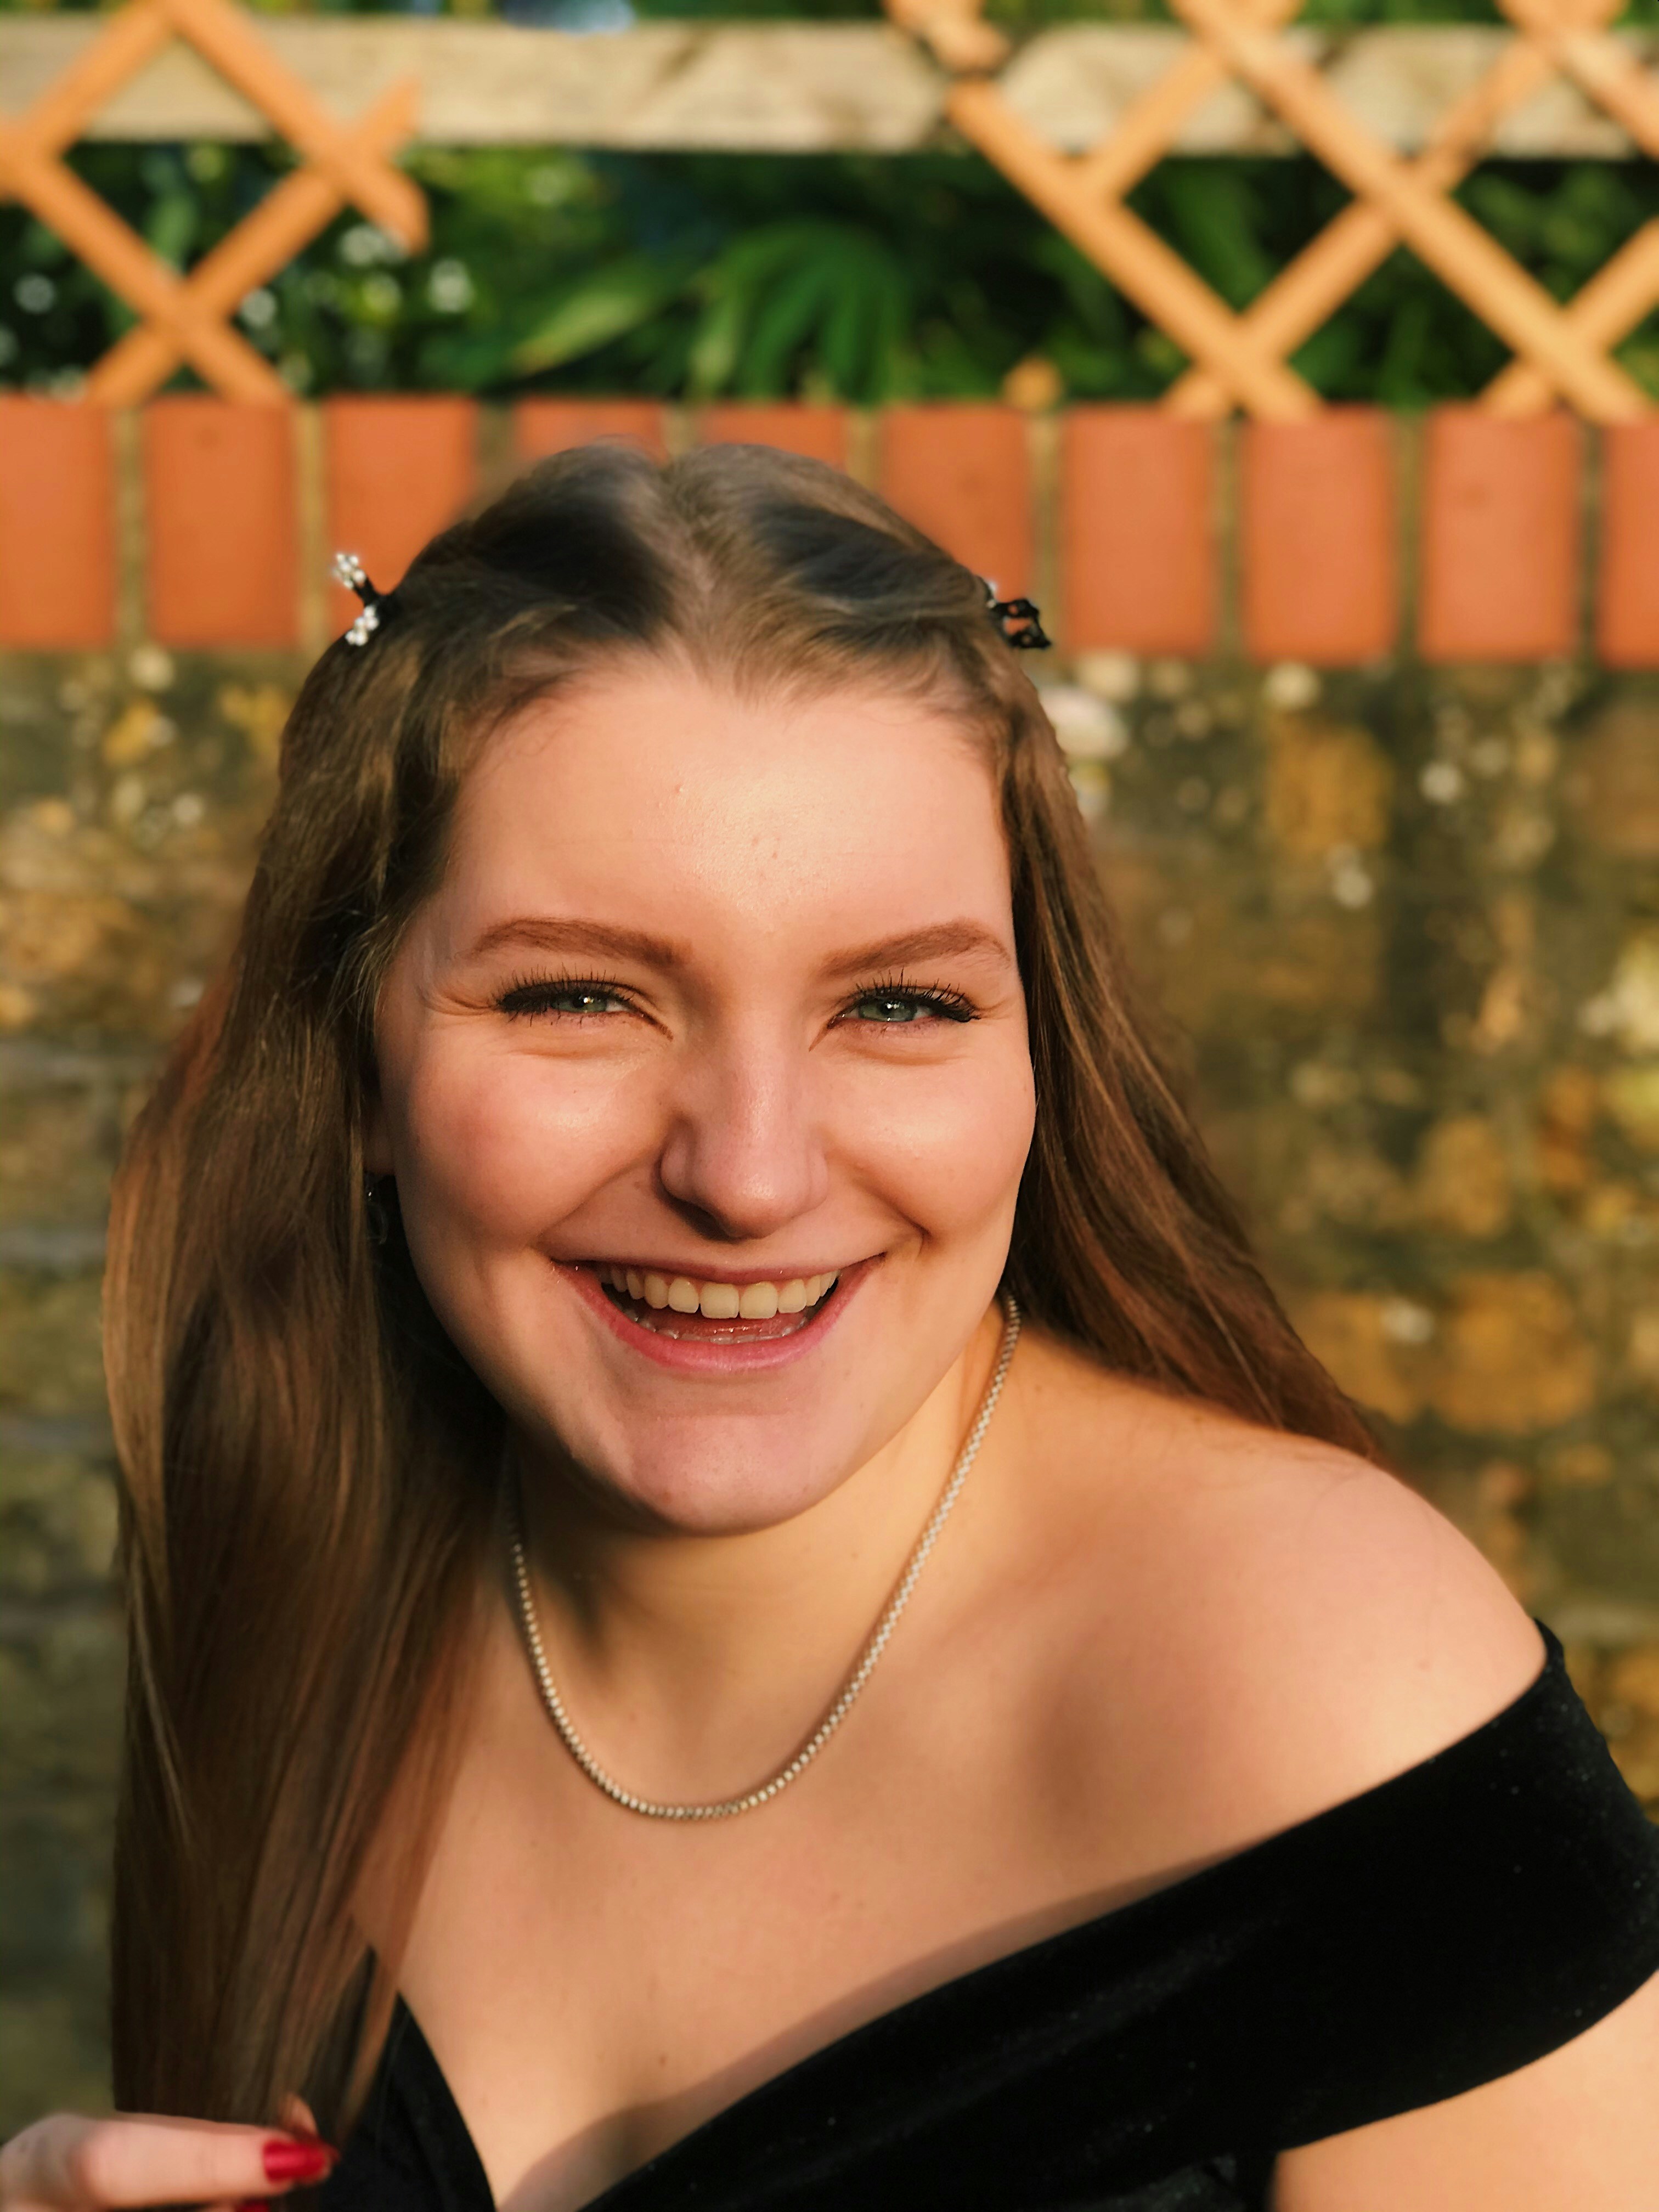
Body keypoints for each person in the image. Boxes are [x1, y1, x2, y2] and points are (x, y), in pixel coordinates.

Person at [3, 444, 1657, 2212]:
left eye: (897, 1002)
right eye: (580, 997)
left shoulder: (1323, 1693)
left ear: (1040, 1049)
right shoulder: (301, 1555)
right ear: (352, 1063)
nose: (751, 1173)